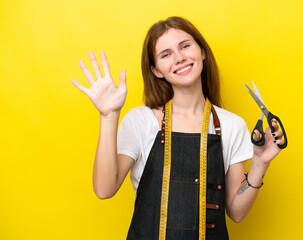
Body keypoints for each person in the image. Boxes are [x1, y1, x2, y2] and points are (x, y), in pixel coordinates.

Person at [72, 16, 285, 240]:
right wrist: (108, 115)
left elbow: (237, 212)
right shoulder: (140, 121)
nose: (180, 58)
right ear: (156, 71)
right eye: (166, 54)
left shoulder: (232, 125)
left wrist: (261, 163)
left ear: (202, 52)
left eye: (185, 46)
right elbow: (105, 190)